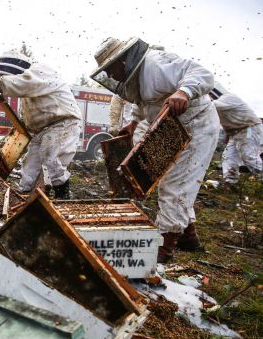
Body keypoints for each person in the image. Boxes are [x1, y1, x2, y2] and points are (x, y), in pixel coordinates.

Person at [91, 37, 220, 263]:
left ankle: (162, 249)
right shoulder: (138, 77)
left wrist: (185, 92)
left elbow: (203, 73)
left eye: (110, 69)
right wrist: (133, 122)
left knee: (176, 184)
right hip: (171, 127)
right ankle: (188, 238)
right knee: (173, 180)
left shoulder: (156, 64)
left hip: (196, 125)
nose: (110, 76)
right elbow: (145, 104)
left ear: (123, 61)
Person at [0, 50, 82, 199]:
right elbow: (30, 112)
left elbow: (27, 82)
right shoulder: (26, 90)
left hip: (63, 122)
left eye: (4, 76)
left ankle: (62, 192)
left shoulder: (40, 71)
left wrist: (1, 84)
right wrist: (22, 126)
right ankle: (25, 193)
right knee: (30, 162)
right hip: (41, 130)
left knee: (50, 156)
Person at [209, 84, 263, 184]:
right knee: (228, 157)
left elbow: (211, 105)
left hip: (249, 128)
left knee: (249, 157)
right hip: (236, 133)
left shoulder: (229, 98)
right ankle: (230, 182)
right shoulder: (218, 104)